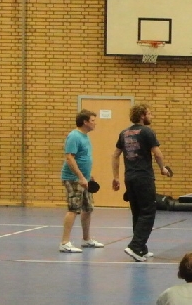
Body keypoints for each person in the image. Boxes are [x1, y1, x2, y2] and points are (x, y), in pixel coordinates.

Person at [112, 104, 172, 262]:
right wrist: (162, 168)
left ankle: (141, 249)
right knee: (148, 212)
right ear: (142, 116)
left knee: (138, 213)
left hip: (129, 178)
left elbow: (115, 155)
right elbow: (157, 153)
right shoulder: (147, 131)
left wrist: (116, 177)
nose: (152, 116)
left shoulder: (124, 133)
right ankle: (135, 246)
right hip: (144, 177)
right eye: (149, 113)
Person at [59, 110, 104, 253]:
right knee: (73, 209)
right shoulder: (74, 136)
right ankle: (65, 242)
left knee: (88, 209)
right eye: (93, 120)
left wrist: (88, 176)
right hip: (73, 179)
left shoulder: (85, 136)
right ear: (85, 122)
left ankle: (86, 239)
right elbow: (69, 158)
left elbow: (83, 158)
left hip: (85, 179)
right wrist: (80, 176)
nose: (95, 123)